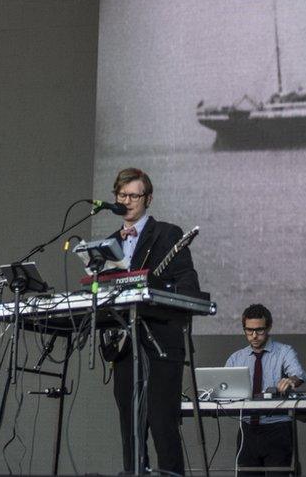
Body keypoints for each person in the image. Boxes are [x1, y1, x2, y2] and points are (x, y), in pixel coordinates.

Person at [105, 167, 201, 475]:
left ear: (149, 199)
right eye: (122, 195)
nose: (127, 200)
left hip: (160, 345)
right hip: (123, 349)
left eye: (134, 195)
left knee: (163, 426)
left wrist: (158, 294)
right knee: (130, 430)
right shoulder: (108, 243)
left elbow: (188, 284)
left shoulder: (168, 234)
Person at [225, 304, 306, 474]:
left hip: (277, 429)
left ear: (269, 327)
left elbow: (298, 374)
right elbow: (223, 386)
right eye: (249, 331)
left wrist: (291, 381)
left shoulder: (284, 351)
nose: (254, 336)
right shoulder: (236, 358)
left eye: (260, 330)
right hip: (247, 429)